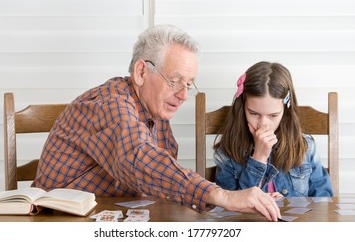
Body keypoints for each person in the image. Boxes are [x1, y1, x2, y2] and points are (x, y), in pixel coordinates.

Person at [32, 25, 280, 221]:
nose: (183, 95)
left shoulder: (155, 110)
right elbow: (139, 158)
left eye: (188, 84)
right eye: (175, 81)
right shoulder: (111, 104)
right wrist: (222, 195)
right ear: (141, 72)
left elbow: (158, 183)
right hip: (54, 222)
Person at [213, 61, 333, 197]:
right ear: (242, 108)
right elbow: (228, 206)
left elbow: (324, 199)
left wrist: (287, 205)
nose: (263, 124)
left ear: (285, 111)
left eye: (273, 115)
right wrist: (258, 157)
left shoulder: (305, 147)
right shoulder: (227, 152)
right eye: (254, 113)